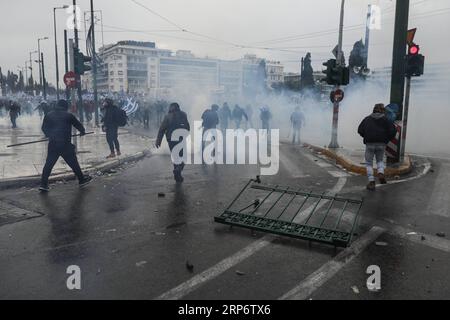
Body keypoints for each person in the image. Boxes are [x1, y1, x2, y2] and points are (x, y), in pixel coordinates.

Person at [39, 99, 92, 192]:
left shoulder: (49, 115)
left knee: (49, 164)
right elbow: (78, 125)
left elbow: (44, 128)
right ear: (65, 107)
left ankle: (43, 184)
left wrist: (50, 135)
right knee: (73, 163)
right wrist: (82, 132)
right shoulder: (69, 115)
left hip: (53, 144)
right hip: (65, 144)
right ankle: (81, 179)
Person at [358, 103, 397, 191]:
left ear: (374, 109)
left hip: (370, 144)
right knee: (379, 160)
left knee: (369, 163)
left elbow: (360, 130)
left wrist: (366, 136)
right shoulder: (386, 120)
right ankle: (380, 172)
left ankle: (371, 181)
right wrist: (386, 139)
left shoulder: (367, 119)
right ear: (383, 110)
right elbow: (392, 131)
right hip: (382, 143)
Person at [156, 103, 190, 183]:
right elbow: (187, 126)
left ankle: (177, 174)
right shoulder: (183, 114)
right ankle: (178, 170)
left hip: (171, 139)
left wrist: (158, 140)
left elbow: (162, 129)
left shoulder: (167, 116)